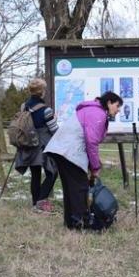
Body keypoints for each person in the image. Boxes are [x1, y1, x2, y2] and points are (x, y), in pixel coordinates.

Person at [44, 92, 122, 230]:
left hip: (61, 149)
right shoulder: (98, 113)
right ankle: (80, 222)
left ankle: (71, 223)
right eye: (117, 106)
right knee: (80, 187)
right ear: (109, 102)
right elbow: (91, 142)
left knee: (70, 187)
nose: (118, 110)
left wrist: (93, 166)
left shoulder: (91, 110)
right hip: (68, 151)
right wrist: (96, 167)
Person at [14, 78, 58, 214]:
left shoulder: (24, 106)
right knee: (52, 173)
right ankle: (41, 202)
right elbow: (55, 130)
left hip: (28, 145)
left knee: (35, 174)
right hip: (43, 146)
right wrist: (54, 119)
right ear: (42, 92)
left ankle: (35, 203)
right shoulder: (46, 110)